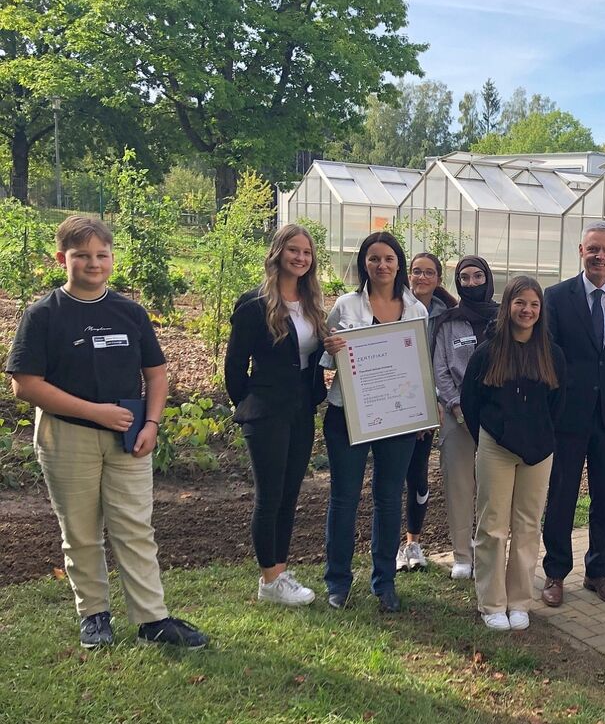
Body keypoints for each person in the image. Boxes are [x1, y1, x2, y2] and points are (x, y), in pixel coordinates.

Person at [7, 216, 208, 649]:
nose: (93, 263)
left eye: (102, 255)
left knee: (135, 527)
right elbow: (25, 384)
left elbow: (156, 375)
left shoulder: (130, 313)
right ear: (61, 259)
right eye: (82, 255)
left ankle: (152, 620)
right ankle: (94, 615)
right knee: (81, 531)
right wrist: (95, 413)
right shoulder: (43, 315)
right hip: (67, 434)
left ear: (112, 259)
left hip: (129, 436)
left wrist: (152, 424)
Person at [319, 232, 428, 611]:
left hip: (397, 417)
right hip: (348, 414)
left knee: (388, 498)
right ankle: (338, 581)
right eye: (373, 258)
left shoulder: (416, 310)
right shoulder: (345, 306)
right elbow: (328, 362)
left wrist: (422, 411)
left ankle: (384, 582)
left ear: (398, 264)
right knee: (344, 497)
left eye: (388, 258)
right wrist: (330, 348)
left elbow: (420, 365)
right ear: (364, 263)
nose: (381, 265)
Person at [541, 221, 605, 608]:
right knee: (561, 497)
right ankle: (555, 573)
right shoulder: (556, 297)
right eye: (593, 249)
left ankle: (598, 572)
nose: (599, 256)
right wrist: (549, 410)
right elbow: (548, 357)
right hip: (568, 416)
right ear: (581, 251)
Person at [226, 223, 329, 608]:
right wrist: (249, 404)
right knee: (269, 495)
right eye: (293, 250)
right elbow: (235, 365)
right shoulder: (254, 304)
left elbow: (312, 356)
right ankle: (268, 577)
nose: (300, 257)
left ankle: (279, 573)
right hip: (266, 408)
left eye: (307, 252)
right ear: (278, 252)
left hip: (301, 407)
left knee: (289, 493)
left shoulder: (311, 304)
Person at [461, 276, 566, 631]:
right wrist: (489, 436)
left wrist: (542, 435)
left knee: (527, 526)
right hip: (496, 447)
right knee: (492, 526)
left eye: (534, 304)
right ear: (507, 306)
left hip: (539, 449)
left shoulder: (552, 354)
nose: (527, 310)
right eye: (520, 302)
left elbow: (558, 404)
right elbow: (470, 401)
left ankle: (519, 601)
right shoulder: (488, 352)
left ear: (541, 310)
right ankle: (492, 602)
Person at [431, 255, 499, 580]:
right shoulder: (448, 322)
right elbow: (440, 368)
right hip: (457, 416)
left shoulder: (503, 317)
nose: (471, 283)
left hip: (496, 416)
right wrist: (457, 406)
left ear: (488, 279)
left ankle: (488, 552)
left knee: (493, 488)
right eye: (464, 278)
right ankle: (462, 554)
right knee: (459, 485)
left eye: (477, 277)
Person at [399, 252, 458, 572]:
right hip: (393, 402)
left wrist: (428, 403)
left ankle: (413, 542)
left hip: (426, 404)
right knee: (389, 475)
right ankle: (389, 544)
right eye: (416, 271)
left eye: (428, 273)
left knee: (417, 473)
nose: (421, 277)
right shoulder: (394, 305)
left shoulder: (446, 316)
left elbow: (443, 362)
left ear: (438, 279)